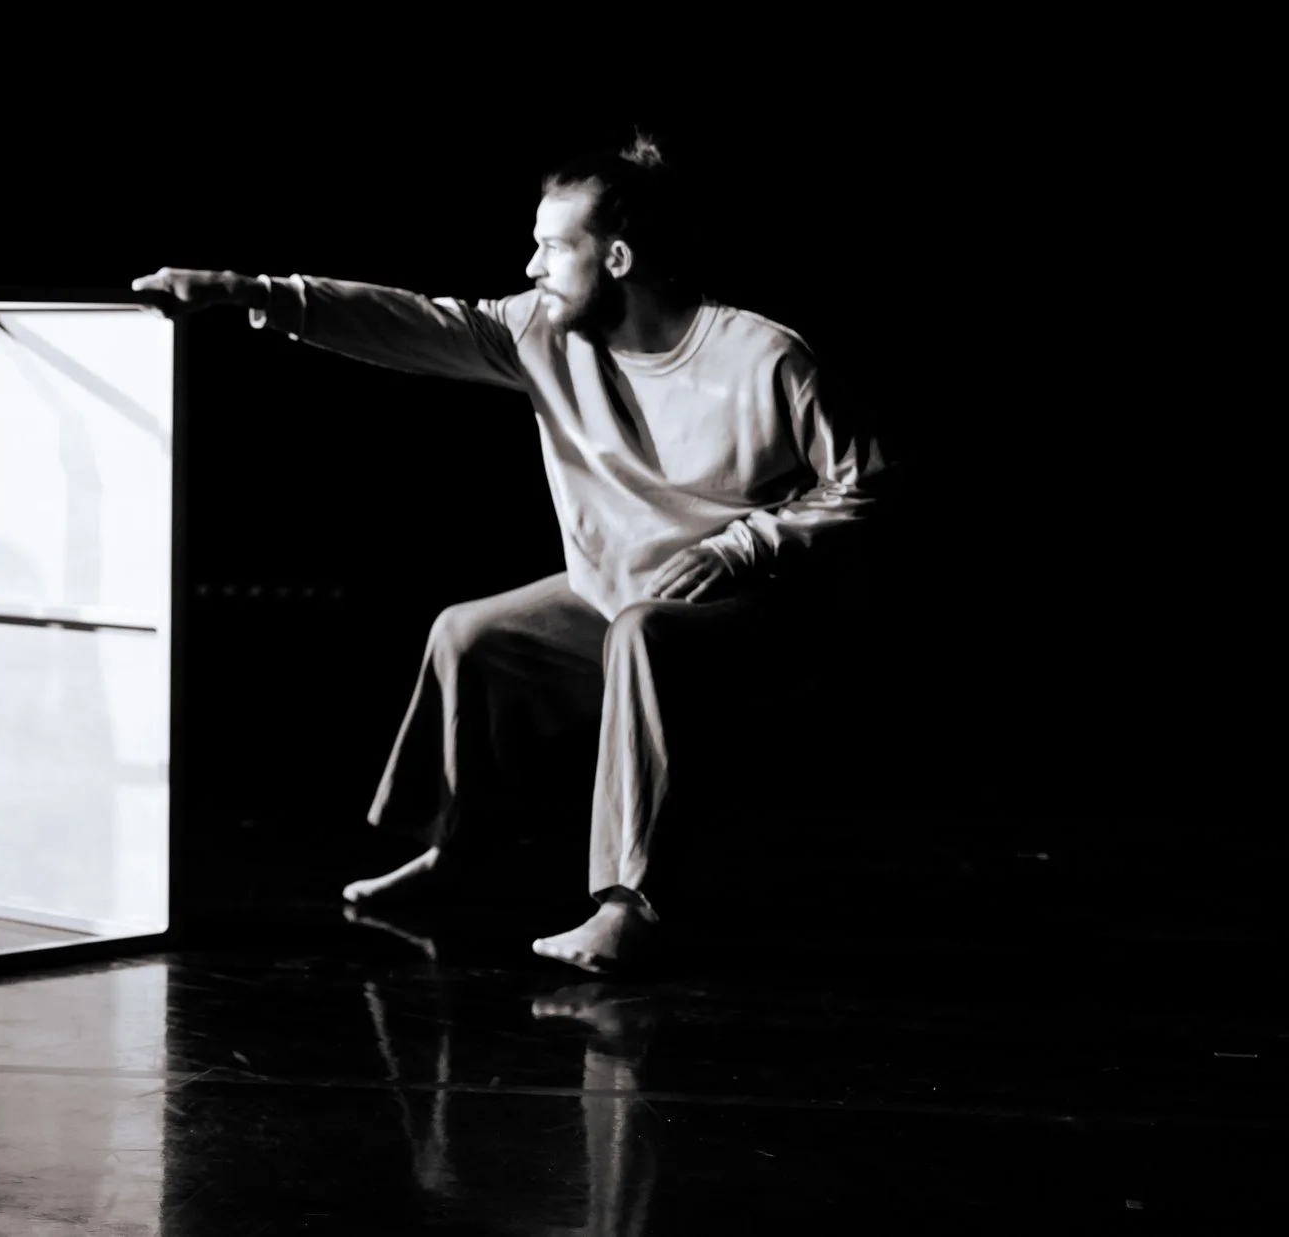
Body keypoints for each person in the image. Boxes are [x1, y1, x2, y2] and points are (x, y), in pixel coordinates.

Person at [134, 133, 883, 973]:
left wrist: (746, 545)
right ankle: (458, 847)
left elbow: (867, 485)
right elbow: (417, 319)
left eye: (553, 247)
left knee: (639, 630)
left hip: (753, 618)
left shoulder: (762, 354)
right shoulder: (540, 332)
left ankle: (627, 905)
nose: (531, 266)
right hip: (613, 598)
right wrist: (251, 291)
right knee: (470, 634)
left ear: (620, 256)